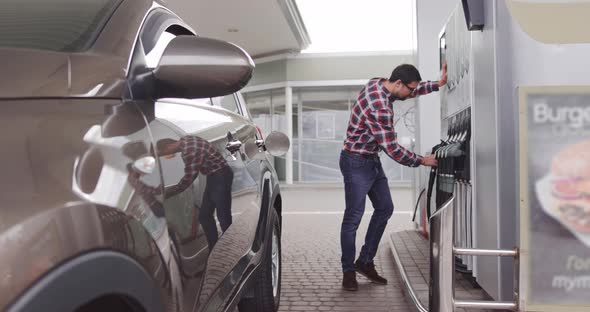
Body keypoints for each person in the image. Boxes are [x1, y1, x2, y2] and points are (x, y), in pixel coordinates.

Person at [340, 63, 447, 291]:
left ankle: (365, 262)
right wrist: (422, 160)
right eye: (409, 89)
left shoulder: (379, 82)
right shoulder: (380, 105)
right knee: (353, 218)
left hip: (371, 160)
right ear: (398, 83)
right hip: (356, 162)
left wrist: (437, 84)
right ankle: (348, 271)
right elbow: (392, 148)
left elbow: (412, 90)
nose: (411, 94)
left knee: (385, 208)